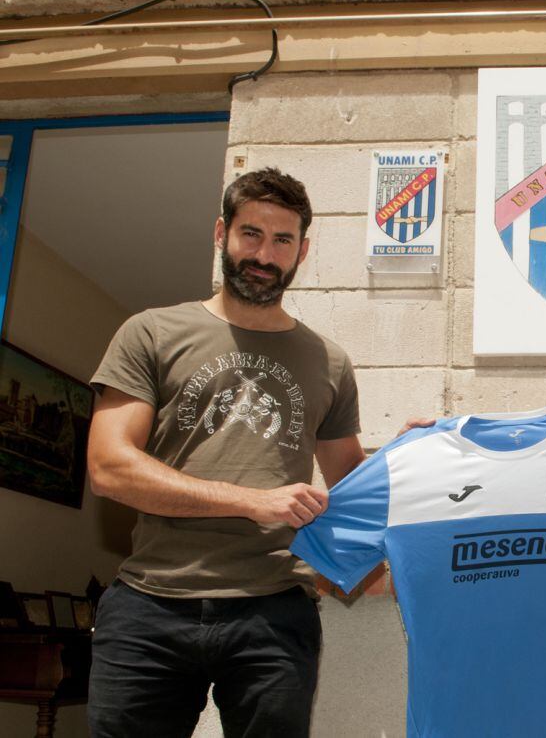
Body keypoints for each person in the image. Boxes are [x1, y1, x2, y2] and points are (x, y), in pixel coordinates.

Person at [86, 168, 366, 738]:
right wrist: (251, 501)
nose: (264, 254)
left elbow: (356, 484)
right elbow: (108, 467)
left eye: (282, 240)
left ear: (302, 251)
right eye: (251, 234)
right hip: (150, 603)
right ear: (222, 234)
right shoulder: (151, 332)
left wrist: (424, 449)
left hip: (273, 610)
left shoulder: (328, 361)